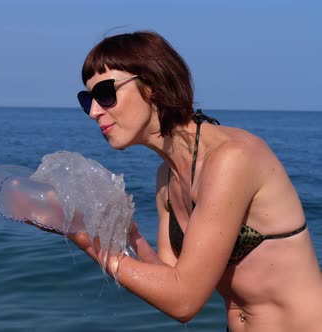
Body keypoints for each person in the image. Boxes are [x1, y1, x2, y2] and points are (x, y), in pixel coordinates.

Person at [70, 31, 322, 331]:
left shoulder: (231, 159)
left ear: (152, 87)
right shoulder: (166, 177)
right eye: (87, 100)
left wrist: (90, 243)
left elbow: (185, 302)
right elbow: (171, 279)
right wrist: (131, 235)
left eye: (105, 94)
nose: (94, 111)